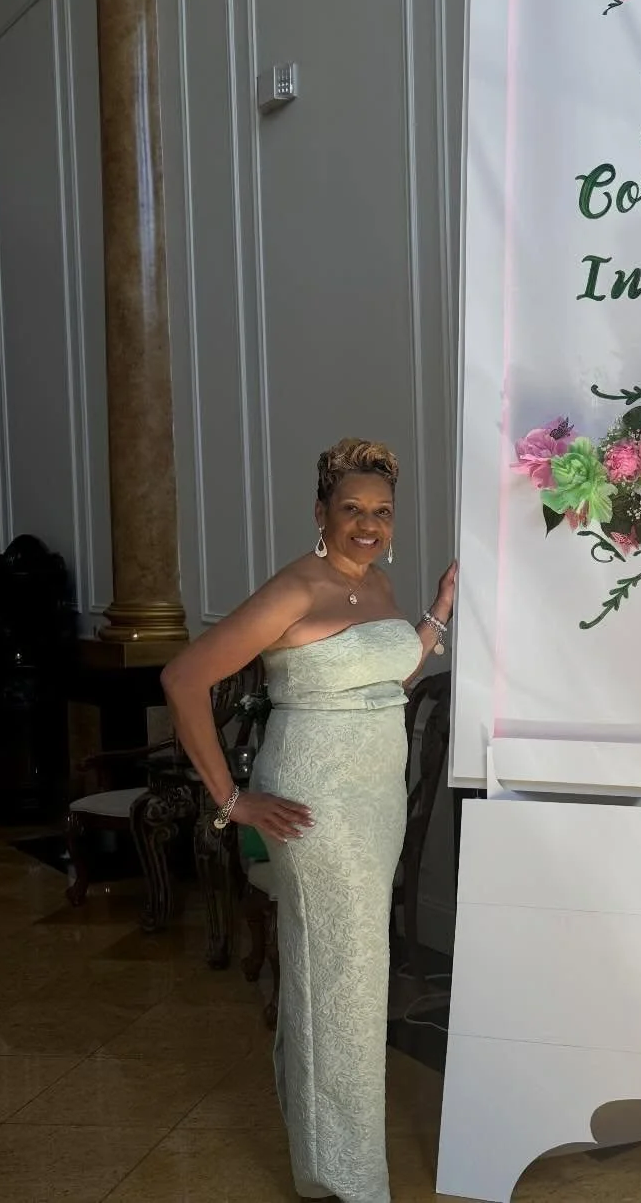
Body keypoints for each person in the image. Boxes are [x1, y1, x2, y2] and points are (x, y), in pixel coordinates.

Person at [161, 437, 457, 1203]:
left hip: (375, 798)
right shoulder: (294, 587)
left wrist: (437, 612)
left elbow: (384, 675)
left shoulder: (382, 585)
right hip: (314, 800)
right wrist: (231, 799)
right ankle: (351, 1177)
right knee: (348, 975)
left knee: (339, 968)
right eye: (352, 510)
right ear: (320, 513)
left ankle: (324, 1158)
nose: (368, 524)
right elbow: (184, 678)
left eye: (382, 512)